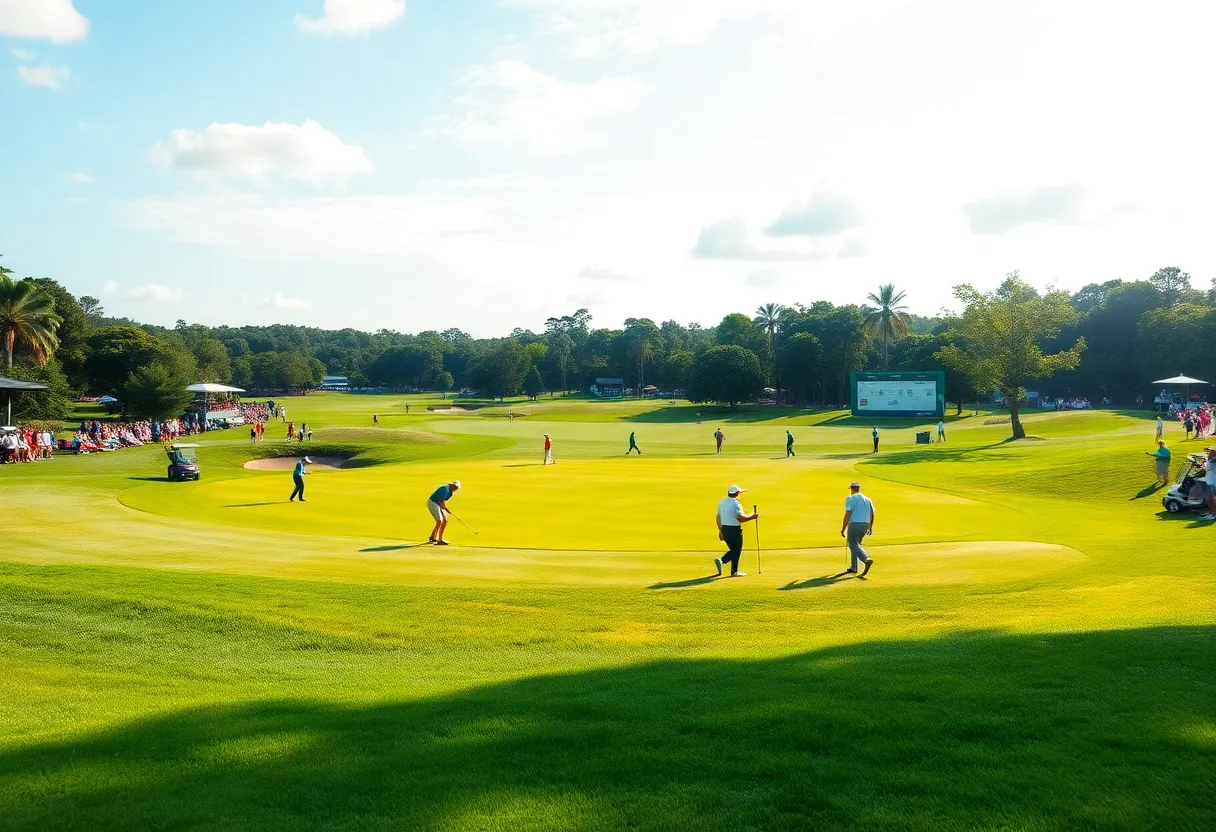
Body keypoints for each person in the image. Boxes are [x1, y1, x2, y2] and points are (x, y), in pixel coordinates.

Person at [714, 484, 758, 578]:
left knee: (734, 550)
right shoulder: (735, 504)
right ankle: (722, 561)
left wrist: (720, 531)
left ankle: (733, 571)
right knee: (736, 550)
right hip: (734, 530)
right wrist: (752, 516)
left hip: (724, 529)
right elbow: (741, 518)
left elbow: (718, 517)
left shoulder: (722, 502)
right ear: (737, 493)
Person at [841, 481, 875, 576]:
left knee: (852, 544)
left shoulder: (850, 498)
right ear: (858, 489)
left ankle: (866, 559)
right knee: (856, 545)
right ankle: (854, 567)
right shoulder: (868, 499)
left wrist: (843, 528)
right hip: (864, 525)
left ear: (851, 489)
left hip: (854, 524)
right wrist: (870, 526)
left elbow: (848, 513)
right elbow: (872, 513)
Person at [426, 480, 461, 545]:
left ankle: (439, 539)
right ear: (452, 485)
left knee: (445, 520)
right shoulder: (445, 489)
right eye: (455, 487)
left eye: (457, 487)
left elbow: (442, 501)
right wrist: (446, 508)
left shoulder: (450, 492)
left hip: (438, 503)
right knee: (439, 520)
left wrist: (445, 508)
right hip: (432, 503)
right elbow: (441, 500)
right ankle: (433, 538)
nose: (456, 489)